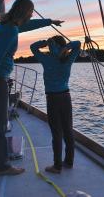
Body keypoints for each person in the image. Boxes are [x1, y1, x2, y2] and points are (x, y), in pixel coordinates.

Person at [0, 0, 63, 175]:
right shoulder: (9, 31)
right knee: (0, 123)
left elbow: (29, 26)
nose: (32, 15)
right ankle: (1, 166)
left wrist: (49, 22)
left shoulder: (8, 25)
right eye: (31, 12)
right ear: (24, 12)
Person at [30, 35, 81, 174]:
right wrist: (65, 48)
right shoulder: (68, 58)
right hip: (66, 97)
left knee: (56, 133)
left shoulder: (46, 59)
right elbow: (78, 44)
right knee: (68, 131)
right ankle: (69, 162)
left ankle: (57, 166)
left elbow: (33, 47)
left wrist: (44, 42)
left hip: (52, 99)